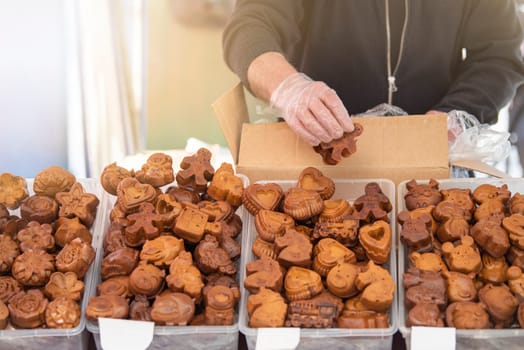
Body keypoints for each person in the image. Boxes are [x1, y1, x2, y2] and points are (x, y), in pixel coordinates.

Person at [222, 0, 524, 146]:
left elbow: (499, 56)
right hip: (315, 153)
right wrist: (289, 89)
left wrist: (458, 114)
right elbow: (249, 28)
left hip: (437, 154)